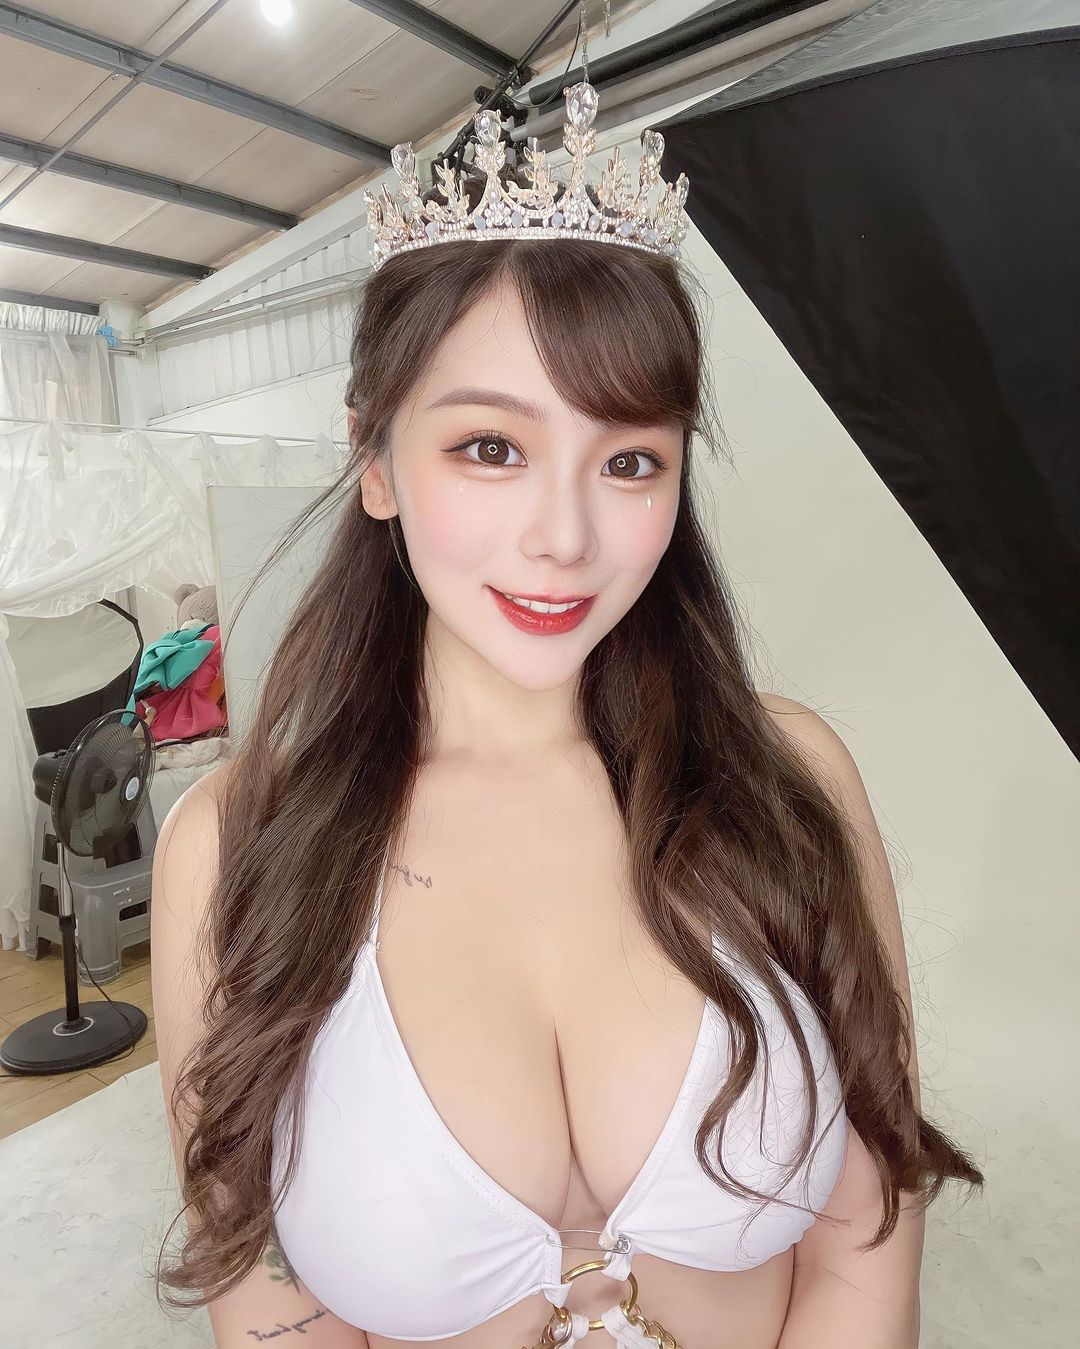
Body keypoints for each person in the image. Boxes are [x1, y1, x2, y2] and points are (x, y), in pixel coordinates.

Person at [150, 77, 981, 1349]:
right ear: (375, 459)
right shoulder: (234, 844)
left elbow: (866, 1247)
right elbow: (269, 1315)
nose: (566, 535)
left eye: (630, 459)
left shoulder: (788, 777)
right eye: (491, 446)